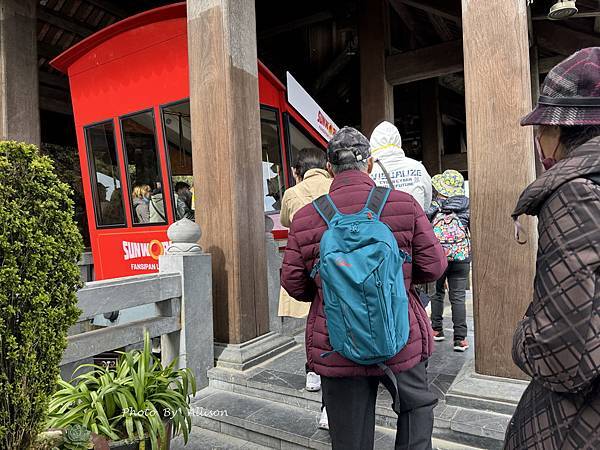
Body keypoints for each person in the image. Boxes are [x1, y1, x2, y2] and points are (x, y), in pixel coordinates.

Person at [281, 127, 446, 450]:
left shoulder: (305, 218)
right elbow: (435, 266)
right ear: (369, 164)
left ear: (330, 168)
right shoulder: (404, 205)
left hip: (336, 343)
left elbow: (293, 284)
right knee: (416, 411)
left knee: (350, 439)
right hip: (401, 337)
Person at [505, 48, 600, 449]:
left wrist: (521, 338)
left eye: (542, 127)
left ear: (562, 131)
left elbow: (559, 355)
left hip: (576, 422)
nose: (539, 139)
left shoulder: (576, 191)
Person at [279, 147, 332, 430]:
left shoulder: (292, 193)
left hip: (305, 263)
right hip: (337, 267)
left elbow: (287, 221)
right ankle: (331, 400)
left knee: (313, 323)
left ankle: (313, 373)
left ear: (297, 170)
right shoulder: (336, 185)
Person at [426, 170, 471, 352]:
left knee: (437, 293)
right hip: (461, 257)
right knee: (458, 297)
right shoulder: (467, 206)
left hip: (439, 256)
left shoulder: (434, 206)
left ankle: (436, 329)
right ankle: (460, 339)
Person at [369, 120, 432, 211]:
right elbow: (427, 204)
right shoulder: (417, 167)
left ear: (373, 142)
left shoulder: (369, 171)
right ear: (398, 140)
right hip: (413, 223)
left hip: (381, 224)